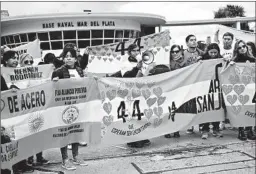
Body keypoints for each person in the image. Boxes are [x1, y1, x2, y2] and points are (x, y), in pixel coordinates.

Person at [52, 47, 88, 170]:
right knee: (65, 133)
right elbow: (53, 90)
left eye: (71, 56)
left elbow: (84, 85)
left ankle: (76, 156)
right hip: (64, 107)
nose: (68, 58)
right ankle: (65, 159)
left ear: (75, 58)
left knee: (76, 132)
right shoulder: (58, 71)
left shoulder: (80, 70)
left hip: (78, 106)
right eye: (66, 56)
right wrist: (54, 82)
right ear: (63, 58)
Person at [111, 44, 151, 148]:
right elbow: (126, 76)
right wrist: (136, 68)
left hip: (140, 92)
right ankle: (133, 139)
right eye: (134, 51)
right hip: (129, 93)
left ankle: (142, 137)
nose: (137, 52)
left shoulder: (143, 61)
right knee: (132, 115)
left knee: (141, 114)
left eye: (138, 50)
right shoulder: (125, 63)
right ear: (129, 52)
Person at [231, 40, 256, 141]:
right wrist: (230, 64)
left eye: (244, 46)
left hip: (250, 88)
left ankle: (249, 129)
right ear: (236, 50)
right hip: (239, 88)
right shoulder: (234, 61)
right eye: (239, 47)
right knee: (240, 108)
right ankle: (241, 130)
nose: (242, 48)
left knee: (250, 108)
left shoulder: (253, 59)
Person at [200, 43, 224, 139]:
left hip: (217, 88)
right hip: (206, 87)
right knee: (206, 109)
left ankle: (216, 129)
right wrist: (199, 63)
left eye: (215, 52)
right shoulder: (203, 59)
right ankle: (204, 129)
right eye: (211, 52)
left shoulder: (221, 59)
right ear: (207, 52)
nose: (213, 54)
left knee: (217, 109)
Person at [183, 36, 204, 134]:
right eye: (191, 40)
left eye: (195, 39)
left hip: (199, 81)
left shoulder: (201, 53)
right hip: (188, 82)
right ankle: (190, 125)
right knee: (190, 103)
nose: (194, 41)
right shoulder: (183, 53)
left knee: (200, 103)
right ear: (187, 43)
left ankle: (201, 124)